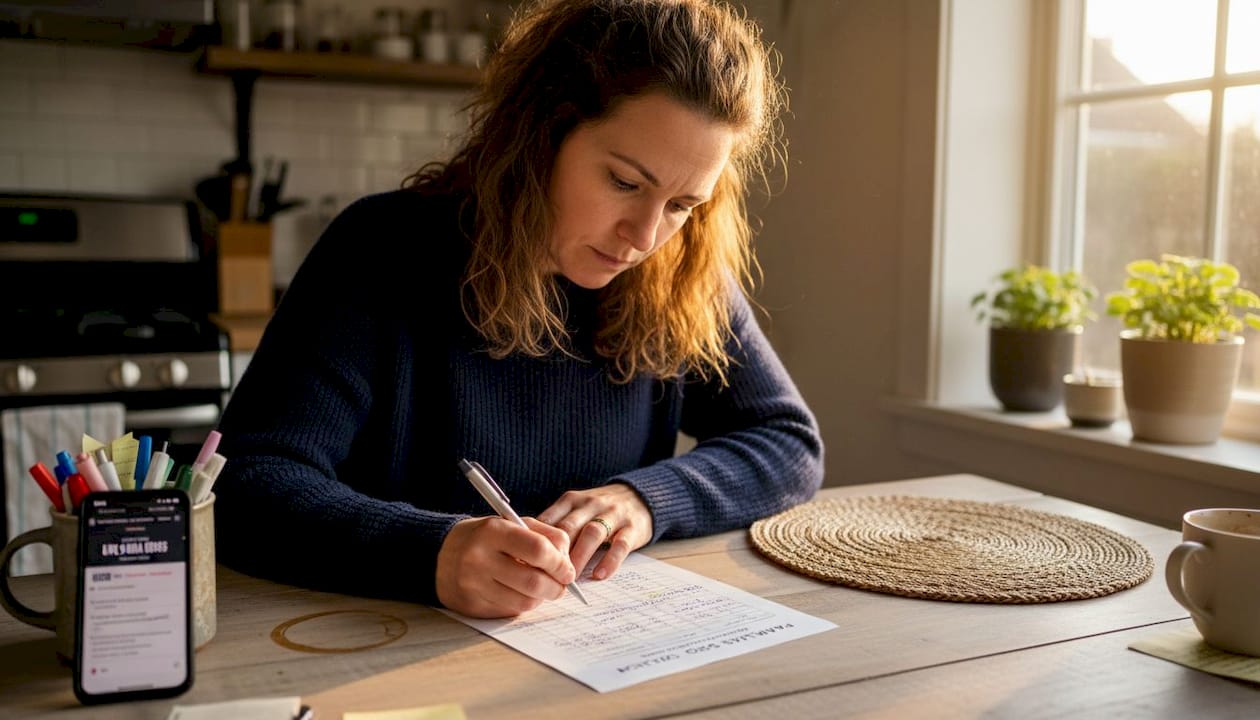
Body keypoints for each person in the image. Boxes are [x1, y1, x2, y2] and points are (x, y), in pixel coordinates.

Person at [214, 0, 823, 619]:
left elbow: (788, 442)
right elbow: (247, 483)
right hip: (383, 641)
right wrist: (431, 553)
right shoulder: (380, 249)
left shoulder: (679, 273)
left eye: (682, 205)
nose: (644, 237)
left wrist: (644, 501)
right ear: (542, 134)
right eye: (624, 182)